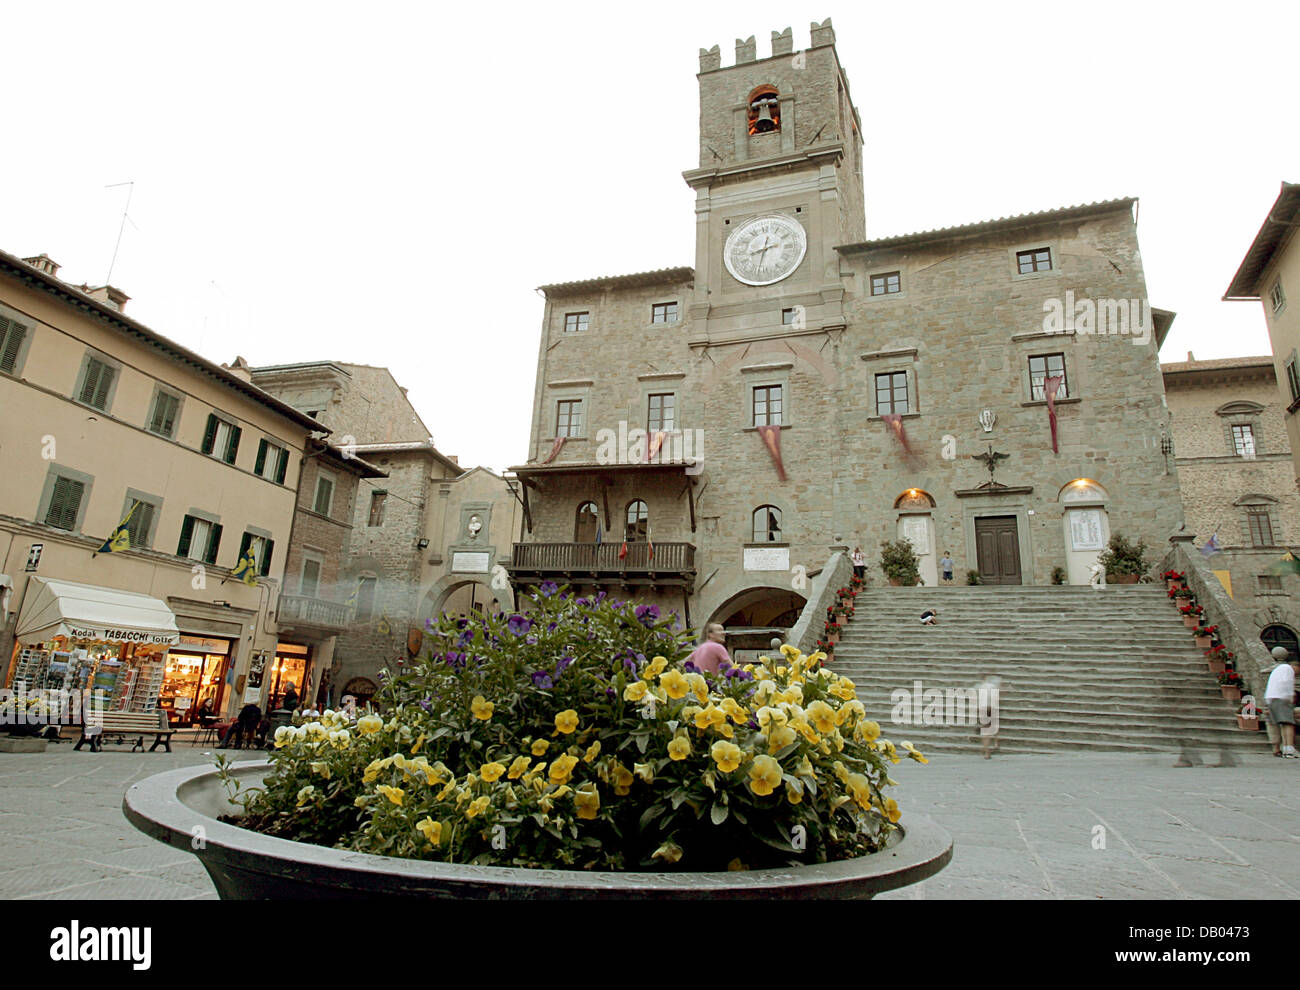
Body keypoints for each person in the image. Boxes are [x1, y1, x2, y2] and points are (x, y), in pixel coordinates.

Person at [1264, 646, 1300, 758]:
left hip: (1272, 698)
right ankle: (1289, 749)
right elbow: (1286, 683)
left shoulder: (1277, 669)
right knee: (1288, 723)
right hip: (1281, 698)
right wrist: (1290, 697)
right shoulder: (1287, 669)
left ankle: (1283, 748)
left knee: (1281, 723)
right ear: (1296, 667)